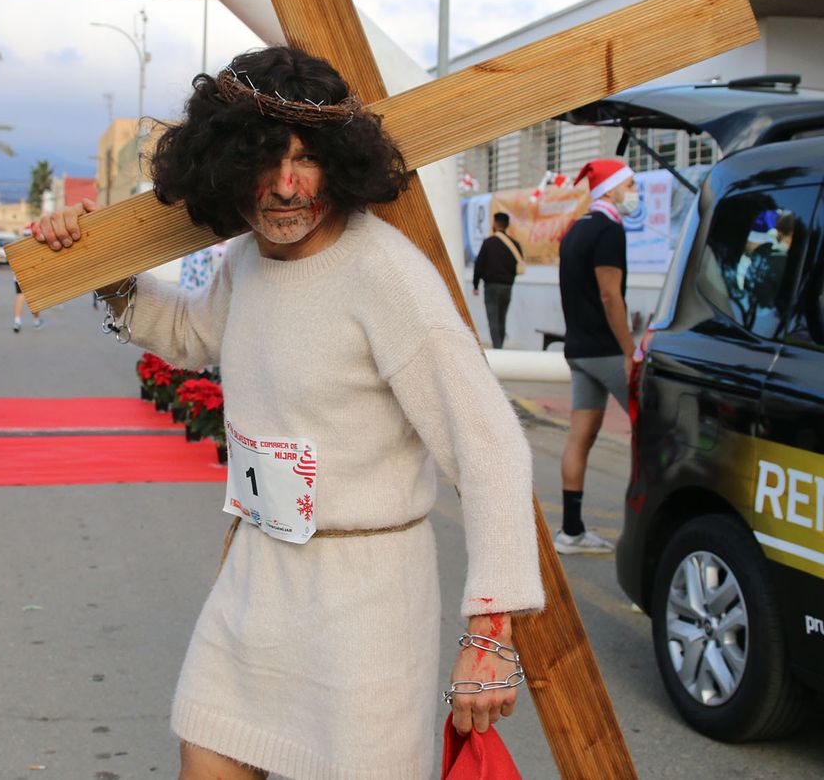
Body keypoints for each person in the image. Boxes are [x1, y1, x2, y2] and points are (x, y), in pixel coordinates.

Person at [33, 47, 543, 779]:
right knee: (205, 758)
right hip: (257, 576)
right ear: (226, 167)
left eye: (305, 159)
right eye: (261, 161)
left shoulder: (388, 275)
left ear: (340, 161)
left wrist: (490, 636)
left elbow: (491, 447)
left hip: (365, 603)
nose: (283, 187)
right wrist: (102, 271)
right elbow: (190, 334)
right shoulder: (245, 261)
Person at [554, 158, 639, 556]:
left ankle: (571, 532)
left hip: (579, 350)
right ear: (612, 188)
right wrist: (630, 351)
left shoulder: (575, 230)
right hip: (607, 352)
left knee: (580, 438)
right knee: (654, 436)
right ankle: (646, 541)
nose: (634, 192)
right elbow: (611, 296)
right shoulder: (608, 231)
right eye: (631, 184)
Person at [471, 211, 524, 349]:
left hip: (491, 287)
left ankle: (498, 348)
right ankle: (500, 346)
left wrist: (475, 284)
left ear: (495, 223)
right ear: (507, 225)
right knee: (502, 318)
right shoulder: (514, 244)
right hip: (507, 287)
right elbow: (518, 264)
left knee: (493, 318)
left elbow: (479, 264)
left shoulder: (488, 243)